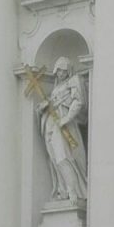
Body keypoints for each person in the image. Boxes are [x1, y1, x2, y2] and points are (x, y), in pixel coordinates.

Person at [36, 56, 89, 202]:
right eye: (58, 71)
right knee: (53, 159)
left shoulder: (73, 81)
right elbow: (49, 105)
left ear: (68, 71)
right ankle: (62, 190)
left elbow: (78, 102)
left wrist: (65, 119)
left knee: (63, 157)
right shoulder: (56, 88)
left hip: (64, 125)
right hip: (50, 124)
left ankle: (74, 192)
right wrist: (43, 107)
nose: (61, 74)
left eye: (63, 71)